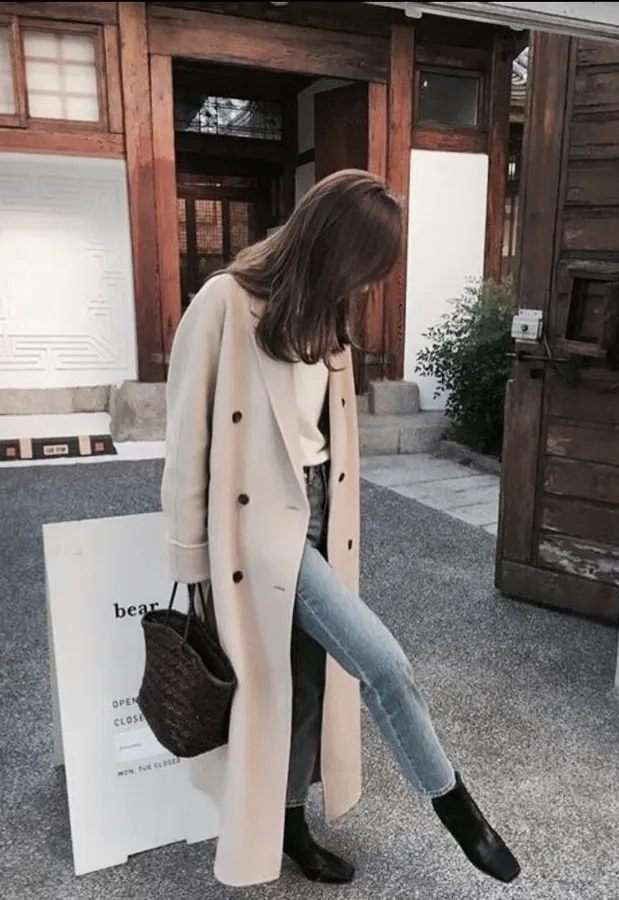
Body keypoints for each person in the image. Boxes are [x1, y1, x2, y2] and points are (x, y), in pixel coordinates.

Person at [161, 168, 521, 888]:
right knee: (383, 664)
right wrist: (191, 559)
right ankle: (456, 807)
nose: (364, 285)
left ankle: (292, 825)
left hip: (323, 512)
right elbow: (186, 439)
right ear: (329, 244)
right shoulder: (224, 302)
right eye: (363, 266)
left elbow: (326, 438)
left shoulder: (325, 319)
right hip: (263, 530)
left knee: (304, 682)